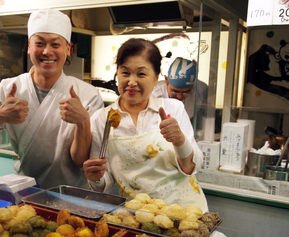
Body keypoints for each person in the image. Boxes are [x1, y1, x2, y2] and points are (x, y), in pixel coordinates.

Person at [0, 9, 104, 189]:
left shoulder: (87, 95)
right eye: (39, 43)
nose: (47, 52)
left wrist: (83, 122)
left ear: (68, 49)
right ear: (29, 47)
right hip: (26, 193)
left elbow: (81, 161)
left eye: (55, 44)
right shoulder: (8, 89)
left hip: (73, 196)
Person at [81, 38, 208, 212]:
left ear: (156, 79)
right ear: (117, 74)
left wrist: (180, 140)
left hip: (184, 211)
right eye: (125, 73)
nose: (132, 82)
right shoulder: (102, 118)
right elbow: (105, 182)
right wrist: (96, 178)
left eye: (141, 74)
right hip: (138, 216)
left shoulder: (174, 108)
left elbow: (192, 167)